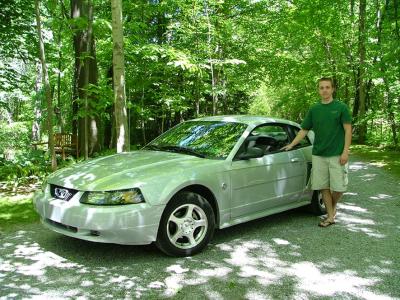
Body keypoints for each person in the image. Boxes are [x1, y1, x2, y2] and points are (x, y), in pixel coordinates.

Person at [282, 77, 352, 227]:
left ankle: (332, 208)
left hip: (337, 154)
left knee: (339, 188)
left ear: (332, 89)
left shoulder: (341, 108)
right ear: (318, 90)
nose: (324, 90)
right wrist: (292, 144)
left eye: (327, 87)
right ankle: (330, 216)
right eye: (321, 87)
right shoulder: (314, 109)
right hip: (319, 154)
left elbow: (348, 130)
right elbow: (304, 130)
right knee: (323, 186)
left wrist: (345, 151)